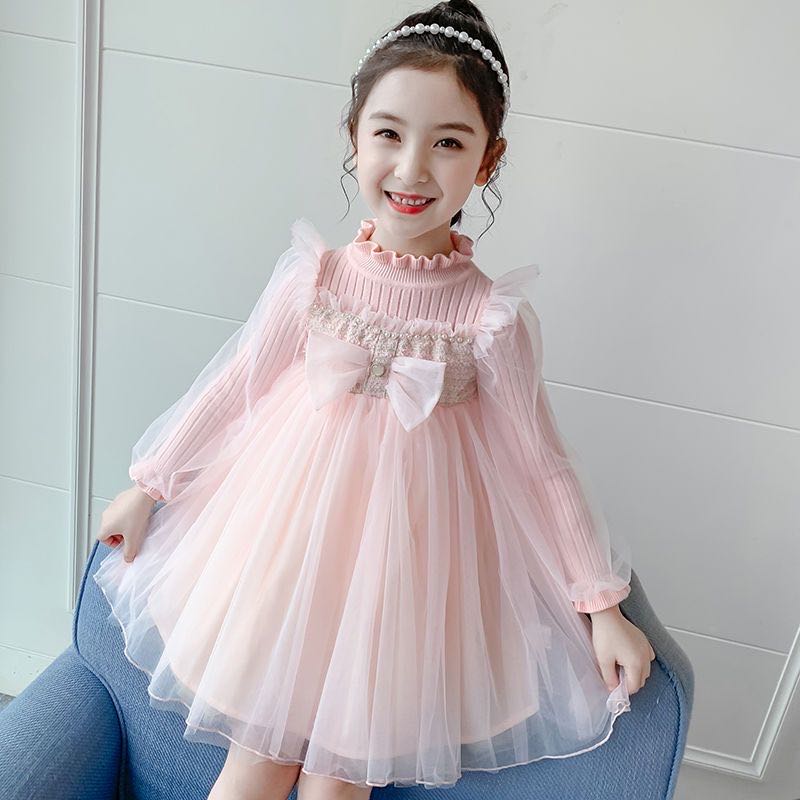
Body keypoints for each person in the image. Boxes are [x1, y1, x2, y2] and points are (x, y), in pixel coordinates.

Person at [94, 1, 655, 797]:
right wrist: (150, 484)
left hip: (407, 578)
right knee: (256, 759)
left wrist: (601, 606)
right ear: (353, 137)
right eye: (389, 133)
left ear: (488, 161)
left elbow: (543, 466)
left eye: (449, 142)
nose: (412, 169)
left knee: (339, 778)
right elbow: (234, 386)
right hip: (288, 546)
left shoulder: (489, 318)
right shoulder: (315, 278)